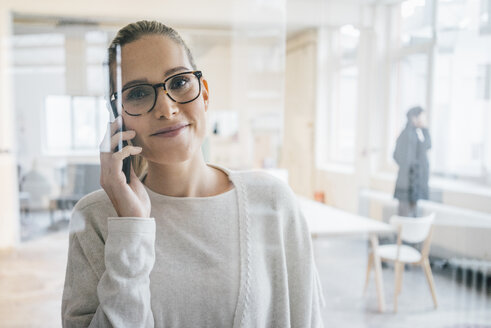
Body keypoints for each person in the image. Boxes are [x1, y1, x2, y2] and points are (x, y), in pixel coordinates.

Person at [61, 20, 324, 327]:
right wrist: (131, 228)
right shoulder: (96, 217)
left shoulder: (272, 201)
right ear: (118, 117)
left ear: (205, 94)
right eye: (138, 93)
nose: (166, 108)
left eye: (179, 82)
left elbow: (307, 318)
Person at [393, 106, 432, 217]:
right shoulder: (408, 135)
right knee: (405, 216)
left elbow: (427, 146)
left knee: (411, 215)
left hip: (412, 183)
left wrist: (425, 129)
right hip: (408, 183)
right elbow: (399, 157)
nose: (423, 120)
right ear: (413, 118)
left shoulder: (416, 134)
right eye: (421, 117)